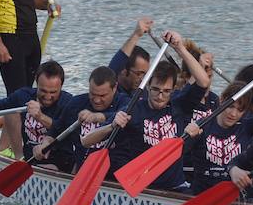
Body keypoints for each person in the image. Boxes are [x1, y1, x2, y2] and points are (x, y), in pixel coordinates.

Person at [83, 31, 210, 191]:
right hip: (142, 187)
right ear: (147, 86)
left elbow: (203, 80)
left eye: (166, 91)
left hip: (175, 186)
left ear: (173, 89)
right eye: (155, 89)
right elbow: (86, 141)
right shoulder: (133, 109)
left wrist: (179, 48)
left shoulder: (179, 104)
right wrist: (112, 125)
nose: (160, 96)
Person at [183, 79, 253, 194]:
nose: (233, 114)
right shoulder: (202, 126)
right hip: (202, 193)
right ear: (221, 100)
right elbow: (179, 154)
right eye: (230, 106)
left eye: (240, 110)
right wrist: (187, 135)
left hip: (233, 195)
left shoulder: (247, 126)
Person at [0, 61, 72, 164]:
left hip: (57, 161)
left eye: (53, 92)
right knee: (11, 109)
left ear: (61, 86)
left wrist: (40, 117)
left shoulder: (69, 103)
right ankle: (19, 159)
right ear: (37, 83)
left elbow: (66, 130)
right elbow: (1, 104)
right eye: (43, 91)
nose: (47, 97)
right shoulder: (24, 95)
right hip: (30, 158)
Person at [33, 66, 125, 172]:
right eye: (93, 94)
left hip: (114, 173)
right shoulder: (76, 103)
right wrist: (44, 144)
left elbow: (125, 114)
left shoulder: (125, 102)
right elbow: (56, 130)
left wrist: (98, 117)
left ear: (114, 88)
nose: (97, 100)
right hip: (82, 172)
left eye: (102, 95)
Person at [108, 17, 153, 100]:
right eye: (139, 74)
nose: (143, 79)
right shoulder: (110, 90)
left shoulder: (146, 92)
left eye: (145, 75)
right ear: (124, 71)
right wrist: (136, 35)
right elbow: (114, 67)